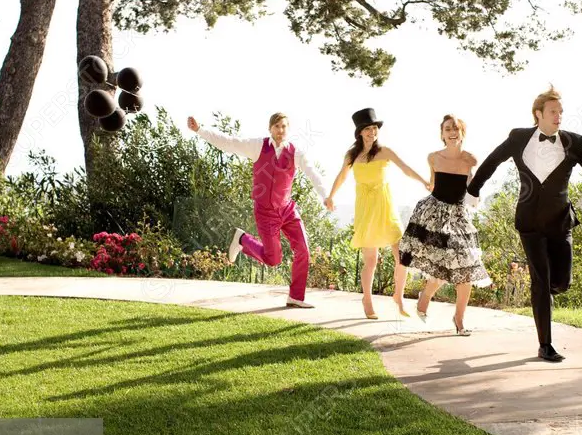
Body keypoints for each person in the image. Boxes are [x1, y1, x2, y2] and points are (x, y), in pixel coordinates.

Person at [466, 86, 582, 361]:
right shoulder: (518, 138)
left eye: (561, 112)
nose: (559, 117)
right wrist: (474, 189)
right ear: (538, 114)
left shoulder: (573, 142)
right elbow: (492, 161)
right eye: (554, 112)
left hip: (561, 223)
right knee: (540, 282)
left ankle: (546, 292)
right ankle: (545, 345)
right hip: (529, 223)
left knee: (562, 283)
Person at [187, 113, 328, 308]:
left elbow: (313, 173)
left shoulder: (296, 153)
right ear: (270, 128)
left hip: (287, 210)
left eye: (284, 126)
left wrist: (325, 196)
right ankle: (243, 239)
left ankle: (296, 297)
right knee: (273, 259)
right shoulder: (258, 147)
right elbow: (229, 142)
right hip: (265, 212)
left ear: (288, 129)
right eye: (277, 126)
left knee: (303, 250)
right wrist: (200, 130)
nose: (280, 130)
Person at [324, 108, 431, 319]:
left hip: (385, 205)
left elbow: (406, 168)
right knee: (370, 260)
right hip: (365, 207)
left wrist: (424, 181)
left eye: (375, 128)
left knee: (402, 255)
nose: (372, 132)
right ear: (360, 132)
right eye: (368, 129)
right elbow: (342, 176)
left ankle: (398, 297)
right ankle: (367, 300)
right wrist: (331, 196)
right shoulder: (352, 155)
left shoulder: (385, 152)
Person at [400, 115, 491, 336]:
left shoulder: (471, 160)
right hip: (435, 214)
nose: (452, 132)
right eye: (448, 129)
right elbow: (433, 185)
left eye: (456, 129)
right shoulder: (433, 157)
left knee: (466, 269)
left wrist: (475, 197)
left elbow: (472, 188)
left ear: (462, 133)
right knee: (441, 269)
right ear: (442, 134)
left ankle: (459, 320)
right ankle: (425, 298)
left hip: (459, 216)